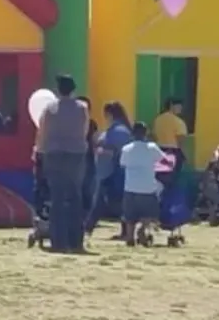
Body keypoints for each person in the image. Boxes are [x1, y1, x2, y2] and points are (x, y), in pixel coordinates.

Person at [35, 74, 89, 253]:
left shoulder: (50, 108)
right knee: (75, 196)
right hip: (76, 154)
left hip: (55, 154)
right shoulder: (82, 107)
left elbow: (42, 132)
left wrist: (39, 151)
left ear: (58, 90)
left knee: (57, 197)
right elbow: (84, 130)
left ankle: (59, 241)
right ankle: (76, 241)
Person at [87, 101, 132, 238]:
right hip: (113, 171)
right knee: (116, 202)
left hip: (111, 171)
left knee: (101, 201)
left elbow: (116, 150)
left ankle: (88, 228)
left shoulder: (117, 131)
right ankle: (89, 227)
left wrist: (101, 149)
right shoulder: (121, 130)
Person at [118, 121, 165, 246]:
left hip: (130, 186)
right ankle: (142, 229)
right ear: (146, 134)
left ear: (132, 134)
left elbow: (122, 164)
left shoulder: (126, 149)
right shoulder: (152, 147)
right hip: (147, 186)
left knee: (129, 215)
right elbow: (163, 160)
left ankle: (129, 237)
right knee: (149, 213)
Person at [152, 97, 188, 176]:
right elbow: (180, 141)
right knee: (173, 177)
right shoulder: (178, 121)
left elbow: (154, 136)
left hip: (160, 150)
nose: (180, 109)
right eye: (178, 106)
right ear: (171, 106)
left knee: (161, 176)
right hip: (173, 151)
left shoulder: (158, 120)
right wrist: (185, 155)